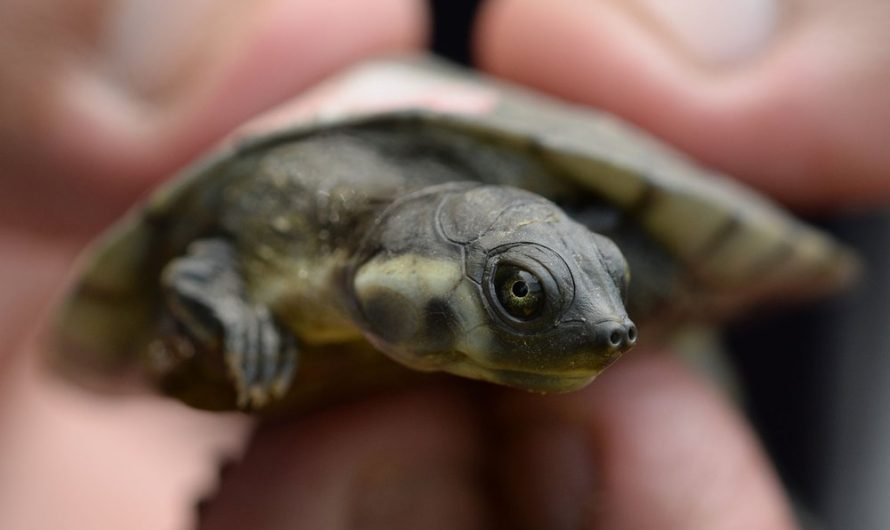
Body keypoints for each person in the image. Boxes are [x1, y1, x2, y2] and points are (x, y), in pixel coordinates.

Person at [0, 1, 887, 528]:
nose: (613, 329)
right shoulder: (271, 201)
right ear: (403, 267)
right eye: (519, 294)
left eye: (611, 276)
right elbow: (191, 274)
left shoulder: (562, 232)